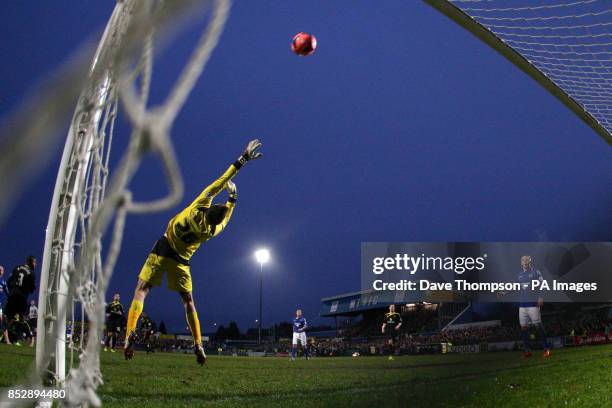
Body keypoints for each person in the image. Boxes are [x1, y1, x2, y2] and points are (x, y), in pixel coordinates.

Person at [124, 139, 263, 365]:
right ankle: (198, 343)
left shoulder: (200, 205)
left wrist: (242, 159)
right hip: (181, 259)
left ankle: (130, 332)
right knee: (188, 302)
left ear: (208, 207)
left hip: (164, 245)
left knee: (142, 290)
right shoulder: (211, 231)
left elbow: (220, 182)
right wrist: (233, 201)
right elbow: (225, 220)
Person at [517, 255, 550, 358]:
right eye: (524, 260)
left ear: (530, 262)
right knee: (523, 328)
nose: (525, 261)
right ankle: (527, 351)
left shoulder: (536, 272)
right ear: (521, 262)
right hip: (522, 305)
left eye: (527, 260)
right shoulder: (519, 275)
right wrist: (504, 293)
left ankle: (546, 349)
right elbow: (515, 286)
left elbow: (543, 284)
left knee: (538, 326)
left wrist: (541, 297)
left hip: (533, 304)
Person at [6, 256, 36, 321]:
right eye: (34, 262)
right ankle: (19, 326)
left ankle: (7, 328)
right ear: (31, 262)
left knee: (9, 318)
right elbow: (32, 289)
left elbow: (8, 282)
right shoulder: (31, 273)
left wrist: (11, 290)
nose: (35, 264)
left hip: (12, 296)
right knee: (20, 318)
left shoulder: (17, 267)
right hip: (22, 298)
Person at [0, 266, 11, 344]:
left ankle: (7, 341)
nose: (0, 271)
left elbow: (8, 293)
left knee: (3, 321)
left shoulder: (3, 282)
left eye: (2, 270)